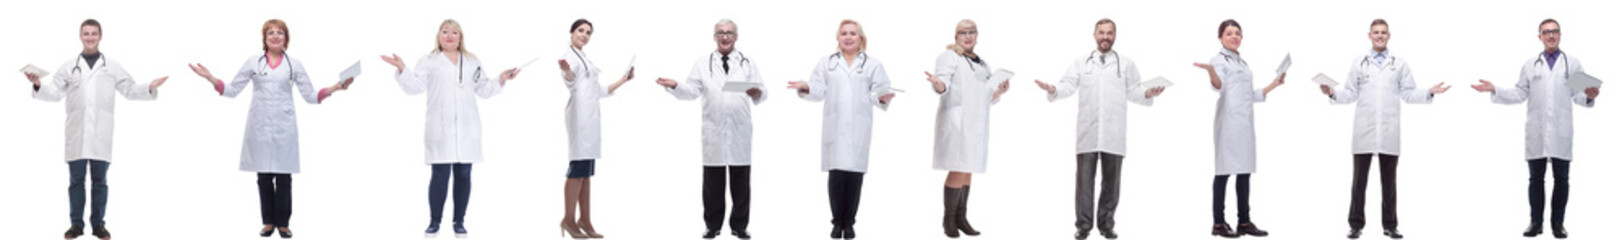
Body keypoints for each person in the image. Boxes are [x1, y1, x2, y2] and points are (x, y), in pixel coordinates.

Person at [186, 19, 352, 239]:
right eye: (271, 33)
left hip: (284, 127)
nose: (275, 36)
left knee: (284, 177)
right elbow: (232, 89)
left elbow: (310, 96)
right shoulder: (253, 62)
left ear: (286, 38)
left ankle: (283, 223)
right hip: (260, 126)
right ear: (264, 38)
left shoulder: (295, 65)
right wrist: (210, 78)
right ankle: (268, 222)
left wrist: (336, 87)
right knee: (263, 176)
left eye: (280, 33)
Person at [26, 19, 169, 240]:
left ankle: (99, 225)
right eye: (86, 34)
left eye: (94, 33)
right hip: (77, 133)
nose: (90, 37)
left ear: (100, 36)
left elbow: (130, 91)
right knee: (76, 181)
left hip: (101, 133)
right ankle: (76, 225)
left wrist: (149, 87)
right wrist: (37, 85)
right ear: (80, 37)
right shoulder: (68, 66)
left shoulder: (111, 66)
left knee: (100, 181)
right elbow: (54, 93)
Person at [379, 19, 518, 239]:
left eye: (454, 32)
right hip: (440, 127)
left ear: (460, 37)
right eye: (445, 32)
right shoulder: (429, 60)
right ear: (439, 36)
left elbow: (483, 89)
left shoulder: (472, 61)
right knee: (439, 175)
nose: (450, 35)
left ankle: (459, 222)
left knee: (464, 174)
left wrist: (501, 79)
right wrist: (402, 69)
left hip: (467, 127)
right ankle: (434, 222)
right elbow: (414, 87)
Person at [1034, 18, 1164, 240]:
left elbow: (1134, 90)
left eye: (1110, 33)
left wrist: (1148, 94)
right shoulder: (1081, 62)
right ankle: (1083, 226)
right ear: (1094, 35)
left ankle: (1106, 225)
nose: (1105, 37)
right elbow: (1067, 86)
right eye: (1102, 33)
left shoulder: (1126, 63)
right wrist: (1053, 89)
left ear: (1115, 36)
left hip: (1114, 132)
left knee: (1111, 184)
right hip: (1088, 132)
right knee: (1084, 182)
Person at [1318, 19, 1448, 240]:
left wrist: (1429, 92)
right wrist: (1332, 92)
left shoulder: (1400, 64)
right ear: (1369, 36)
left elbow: (1408, 94)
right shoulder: (1359, 63)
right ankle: (1355, 225)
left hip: (1388, 131)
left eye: (1383, 33)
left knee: (1389, 183)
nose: (1379, 36)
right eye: (1376, 32)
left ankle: (1390, 225)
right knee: (1358, 182)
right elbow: (1349, 93)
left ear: (1389, 36)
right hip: (1364, 131)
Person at [1469, 18, 1598, 239]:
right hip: (1536, 131)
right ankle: (1535, 222)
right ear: (1539, 36)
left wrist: (1589, 96)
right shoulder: (1530, 65)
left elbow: (1580, 96)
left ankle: (1558, 224)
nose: (1551, 36)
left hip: (1560, 130)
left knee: (1562, 178)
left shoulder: (1573, 64)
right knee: (1535, 179)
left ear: (1560, 34)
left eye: (1555, 31)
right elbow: (1519, 93)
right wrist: (1495, 90)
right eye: (1546, 32)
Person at [652, 19, 764, 240]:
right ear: (714, 37)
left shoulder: (747, 63)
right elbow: (692, 90)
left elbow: (762, 90)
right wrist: (675, 86)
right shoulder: (703, 63)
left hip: (739, 131)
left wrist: (757, 93)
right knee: (713, 184)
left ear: (736, 37)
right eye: (720, 33)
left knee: (741, 183)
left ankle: (739, 226)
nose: (725, 36)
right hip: (714, 131)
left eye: (729, 33)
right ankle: (713, 226)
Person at [787, 19, 895, 240]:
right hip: (835, 126)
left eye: (853, 33)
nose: (848, 37)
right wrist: (806, 87)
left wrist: (882, 97)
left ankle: (850, 223)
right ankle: (837, 223)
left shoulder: (872, 64)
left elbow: (879, 90)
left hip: (859, 127)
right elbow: (818, 89)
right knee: (836, 177)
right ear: (838, 38)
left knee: (854, 178)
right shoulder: (827, 62)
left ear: (861, 38)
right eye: (844, 33)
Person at [1192, 19, 1280, 238]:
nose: (1234, 37)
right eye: (1229, 33)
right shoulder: (1218, 60)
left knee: (1244, 172)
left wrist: (1274, 84)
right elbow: (1218, 86)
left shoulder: (1242, 62)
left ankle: (1244, 221)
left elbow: (1249, 96)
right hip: (1229, 124)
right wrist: (1211, 71)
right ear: (1220, 37)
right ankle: (1219, 223)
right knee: (1223, 172)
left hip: (1245, 125)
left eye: (1238, 33)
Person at [923, 19, 1010, 239]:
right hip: (958, 122)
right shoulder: (949, 57)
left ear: (977, 35)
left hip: (976, 123)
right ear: (956, 36)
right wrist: (937, 84)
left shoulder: (982, 64)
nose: (968, 36)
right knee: (958, 167)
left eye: (972, 32)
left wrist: (999, 90)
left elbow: (985, 95)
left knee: (968, 168)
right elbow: (943, 83)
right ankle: (948, 220)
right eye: (963, 32)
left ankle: (961, 218)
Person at [556, 18, 632, 239]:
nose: (585, 35)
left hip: (591, 119)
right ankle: (568, 219)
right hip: (580, 118)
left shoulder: (585, 57)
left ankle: (585, 220)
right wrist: (566, 72)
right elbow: (569, 79)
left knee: (586, 173)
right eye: (581, 30)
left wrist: (624, 79)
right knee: (577, 169)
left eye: (588, 32)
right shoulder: (568, 57)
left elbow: (598, 90)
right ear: (571, 32)